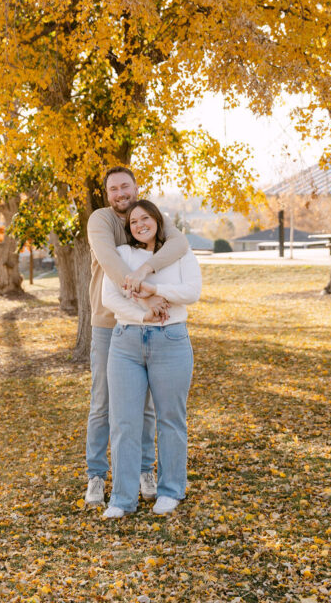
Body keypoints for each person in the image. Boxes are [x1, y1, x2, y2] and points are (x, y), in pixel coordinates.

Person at [84, 167, 190, 507]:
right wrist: (146, 296)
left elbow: (180, 243)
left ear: (135, 188)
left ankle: (145, 470)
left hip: (147, 327)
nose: (120, 193)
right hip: (107, 322)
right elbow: (112, 264)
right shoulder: (100, 220)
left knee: (143, 407)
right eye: (113, 188)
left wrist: (147, 270)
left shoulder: (148, 214)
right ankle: (97, 475)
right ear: (107, 194)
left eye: (125, 186)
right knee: (104, 403)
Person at [101, 199, 202, 518]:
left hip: (171, 339)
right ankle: (122, 498)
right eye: (133, 222)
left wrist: (147, 288)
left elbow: (192, 292)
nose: (140, 224)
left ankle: (171, 490)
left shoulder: (180, 252)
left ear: (158, 220)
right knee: (124, 422)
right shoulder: (122, 255)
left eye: (146, 218)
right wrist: (144, 313)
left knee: (171, 418)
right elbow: (110, 297)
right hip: (126, 342)